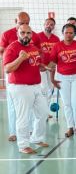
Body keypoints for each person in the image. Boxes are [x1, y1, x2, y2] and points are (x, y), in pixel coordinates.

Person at [3, 25, 49, 154]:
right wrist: (20, 58)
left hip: (35, 86)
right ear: (18, 33)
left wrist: (42, 66)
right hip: (20, 87)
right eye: (22, 33)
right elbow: (7, 69)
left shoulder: (33, 48)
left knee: (43, 112)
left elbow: (34, 64)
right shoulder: (12, 48)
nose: (26, 35)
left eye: (28, 33)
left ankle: (36, 138)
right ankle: (23, 145)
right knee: (23, 117)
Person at [0, 12, 40, 142]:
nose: (24, 25)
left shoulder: (32, 34)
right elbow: (2, 52)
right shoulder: (7, 34)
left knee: (29, 104)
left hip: (30, 74)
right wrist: (14, 58)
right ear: (15, 21)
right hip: (12, 73)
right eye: (21, 23)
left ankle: (29, 131)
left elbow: (37, 53)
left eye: (27, 23)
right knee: (13, 105)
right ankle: (13, 132)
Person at [50, 24, 76, 137]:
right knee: (67, 103)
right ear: (62, 33)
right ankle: (70, 127)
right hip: (62, 78)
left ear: (74, 34)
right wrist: (52, 79)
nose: (68, 35)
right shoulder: (57, 46)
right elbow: (53, 64)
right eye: (66, 32)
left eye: (71, 33)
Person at [37, 18, 60, 116]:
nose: (49, 26)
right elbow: (33, 52)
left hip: (51, 67)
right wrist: (40, 65)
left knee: (51, 88)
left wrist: (51, 67)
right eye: (47, 24)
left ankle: (45, 111)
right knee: (43, 89)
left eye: (51, 24)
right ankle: (42, 111)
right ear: (44, 24)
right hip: (41, 67)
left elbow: (57, 55)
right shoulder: (37, 37)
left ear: (54, 27)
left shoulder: (56, 39)